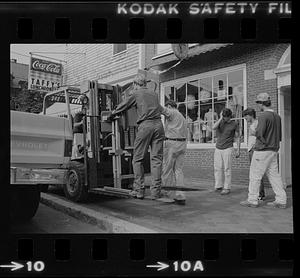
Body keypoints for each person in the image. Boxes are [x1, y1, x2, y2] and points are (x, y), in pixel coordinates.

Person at [109, 74, 165, 200]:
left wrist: (112, 113)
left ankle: (139, 190)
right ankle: (156, 192)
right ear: (144, 83)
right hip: (159, 125)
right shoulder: (154, 94)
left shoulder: (136, 94)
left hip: (146, 126)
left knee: (137, 159)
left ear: (135, 84)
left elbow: (123, 106)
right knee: (156, 160)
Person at [240, 93, 287, 208]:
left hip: (262, 149)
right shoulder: (277, 116)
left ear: (262, 103)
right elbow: (279, 136)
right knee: (274, 176)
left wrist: (253, 133)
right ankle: (281, 200)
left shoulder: (263, 116)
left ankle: (252, 199)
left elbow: (260, 134)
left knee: (255, 175)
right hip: (274, 149)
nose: (258, 106)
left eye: (258, 103)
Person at [161, 99, 188, 205]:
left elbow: (160, 109)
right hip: (182, 144)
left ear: (169, 106)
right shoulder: (182, 117)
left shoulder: (171, 112)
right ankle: (180, 195)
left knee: (167, 170)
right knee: (178, 171)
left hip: (172, 144)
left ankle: (166, 194)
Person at [212, 108, 239, 195]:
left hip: (228, 147)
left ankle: (227, 187)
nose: (225, 119)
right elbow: (213, 127)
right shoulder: (220, 122)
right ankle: (218, 185)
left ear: (230, 116)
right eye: (224, 117)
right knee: (217, 168)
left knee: (227, 168)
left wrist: (238, 149)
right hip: (218, 147)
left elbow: (237, 137)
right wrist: (220, 118)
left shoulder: (234, 124)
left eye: (226, 117)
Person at [242, 108, 265, 200]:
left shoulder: (257, 123)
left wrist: (255, 147)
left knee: (257, 173)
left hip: (255, 151)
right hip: (251, 150)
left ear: (250, 115)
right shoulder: (252, 124)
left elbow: (262, 137)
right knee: (254, 173)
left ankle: (260, 194)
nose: (245, 118)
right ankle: (258, 193)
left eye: (245, 116)